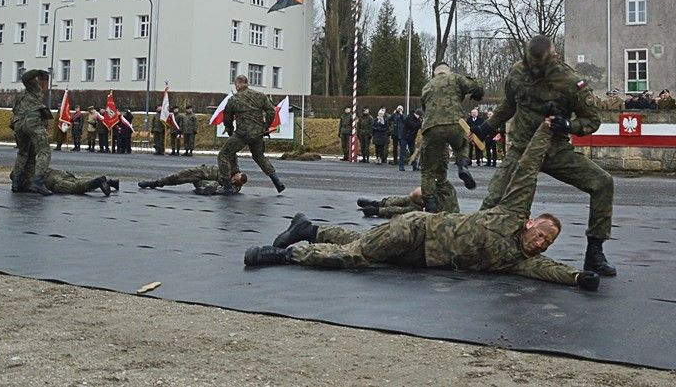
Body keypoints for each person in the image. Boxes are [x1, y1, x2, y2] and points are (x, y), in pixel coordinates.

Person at [244, 121, 601, 292]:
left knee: (360, 242)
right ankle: (281, 255)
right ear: (531, 223)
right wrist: (545, 131)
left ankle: (310, 229)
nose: (541, 243)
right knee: (356, 257)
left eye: (546, 243)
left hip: (420, 257)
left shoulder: (520, 261)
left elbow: (550, 270)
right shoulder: (511, 213)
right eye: (542, 234)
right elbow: (527, 171)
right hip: (417, 228)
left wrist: (578, 277)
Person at [476, 34, 615, 277]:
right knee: (493, 200)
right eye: (532, 65)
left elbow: (592, 120)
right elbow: (509, 104)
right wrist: (487, 128)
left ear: (553, 57)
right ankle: (475, 246)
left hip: (555, 150)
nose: (535, 70)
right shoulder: (517, 73)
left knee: (603, 183)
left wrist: (568, 125)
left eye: (541, 66)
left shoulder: (571, 81)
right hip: (521, 149)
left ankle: (595, 251)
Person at [418, 61, 483, 212]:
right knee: (462, 145)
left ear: (434, 72)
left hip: (432, 127)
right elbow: (475, 86)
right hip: (455, 123)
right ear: (448, 71)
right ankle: (462, 166)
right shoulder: (455, 78)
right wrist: (477, 94)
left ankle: (430, 204)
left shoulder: (427, 86)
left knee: (427, 170)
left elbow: (424, 108)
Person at [217, 75, 285, 193]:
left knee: (223, 154)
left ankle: (227, 186)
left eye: (236, 85)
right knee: (259, 157)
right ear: (247, 83)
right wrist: (265, 126)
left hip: (242, 134)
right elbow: (271, 111)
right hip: (257, 134)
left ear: (238, 84)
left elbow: (227, 117)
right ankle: (277, 182)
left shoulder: (234, 99)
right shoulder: (260, 96)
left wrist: (229, 130)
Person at [9, 69, 55, 195]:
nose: (46, 85)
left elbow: (14, 110)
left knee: (23, 153)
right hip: (31, 121)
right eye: (45, 81)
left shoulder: (21, 95)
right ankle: (38, 181)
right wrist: (36, 72)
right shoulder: (35, 88)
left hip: (18, 123)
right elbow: (25, 78)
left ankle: (16, 182)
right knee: (44, 150)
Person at [140, 167, 247, 195]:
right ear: (237, 174)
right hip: (202, 172)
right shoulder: (232, 168)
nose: (232, 181)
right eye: (234, 178)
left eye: (235, 182)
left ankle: (201, 190)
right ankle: (156, 183)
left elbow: (222, 191)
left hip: (205, 182)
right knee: (178, 176)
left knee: (213, 186)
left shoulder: (235, 187)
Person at [356, 187, 433, 218]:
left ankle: (378, 210)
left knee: (409, 211)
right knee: (406, 199)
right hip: (425, 203)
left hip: (427, 210)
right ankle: (379, 204)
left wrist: (379, 211)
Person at [39, 169, 118, 196]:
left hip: (51, 180)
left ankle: (98, 181)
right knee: (78, 183)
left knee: (76, 188)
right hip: (57, 173)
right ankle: (109, 182)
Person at [389, 105, 408, 171]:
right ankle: (395, 160)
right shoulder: (394, 115)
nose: (399, 110)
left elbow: (405, 121)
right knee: (395, 147)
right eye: (398, 109)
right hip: (395, 133)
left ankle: (402, 160)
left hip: (401, 134)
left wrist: (401, 114)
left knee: (402, 148)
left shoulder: (403, 115)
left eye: (400, 109)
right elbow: (390, 119)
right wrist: (393, 113)